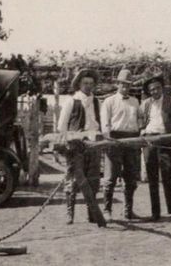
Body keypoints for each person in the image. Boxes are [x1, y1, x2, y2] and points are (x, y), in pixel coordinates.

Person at [57, 68, 102, 224]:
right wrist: (67, 141)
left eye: (91, 83)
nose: (88, 86)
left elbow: (100, 123)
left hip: (93, 144)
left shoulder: (97, 101)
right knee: (73, 180)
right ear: (79, 84)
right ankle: (70, 214)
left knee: (93, 179)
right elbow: (61, 126)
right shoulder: (71, 101)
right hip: (76, 145)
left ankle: (92, 213)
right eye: (85, 83)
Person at [140, 75, 171, 223]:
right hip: (149, 142)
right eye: (151, 89)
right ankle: (155, 213)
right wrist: (142, 131)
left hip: (166, 140)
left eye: (157, 88)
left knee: (168, 177)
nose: (155, 91)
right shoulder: (145, 104)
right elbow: (139, 121)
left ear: (162, 88)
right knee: (152, 178)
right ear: (148, 91)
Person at [100, 69, 141, 221]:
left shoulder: (135, 101)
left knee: (131, 178)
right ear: (117, 84)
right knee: (110, 177)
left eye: (128, 85)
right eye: (123, 84)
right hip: (114, 139)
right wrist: (109, 138)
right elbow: (105, 124)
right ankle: (107, 210)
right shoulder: (109, 101)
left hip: (131, 140)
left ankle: (128, 210)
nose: (125, 87)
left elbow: (139, 121)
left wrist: (139, 135)